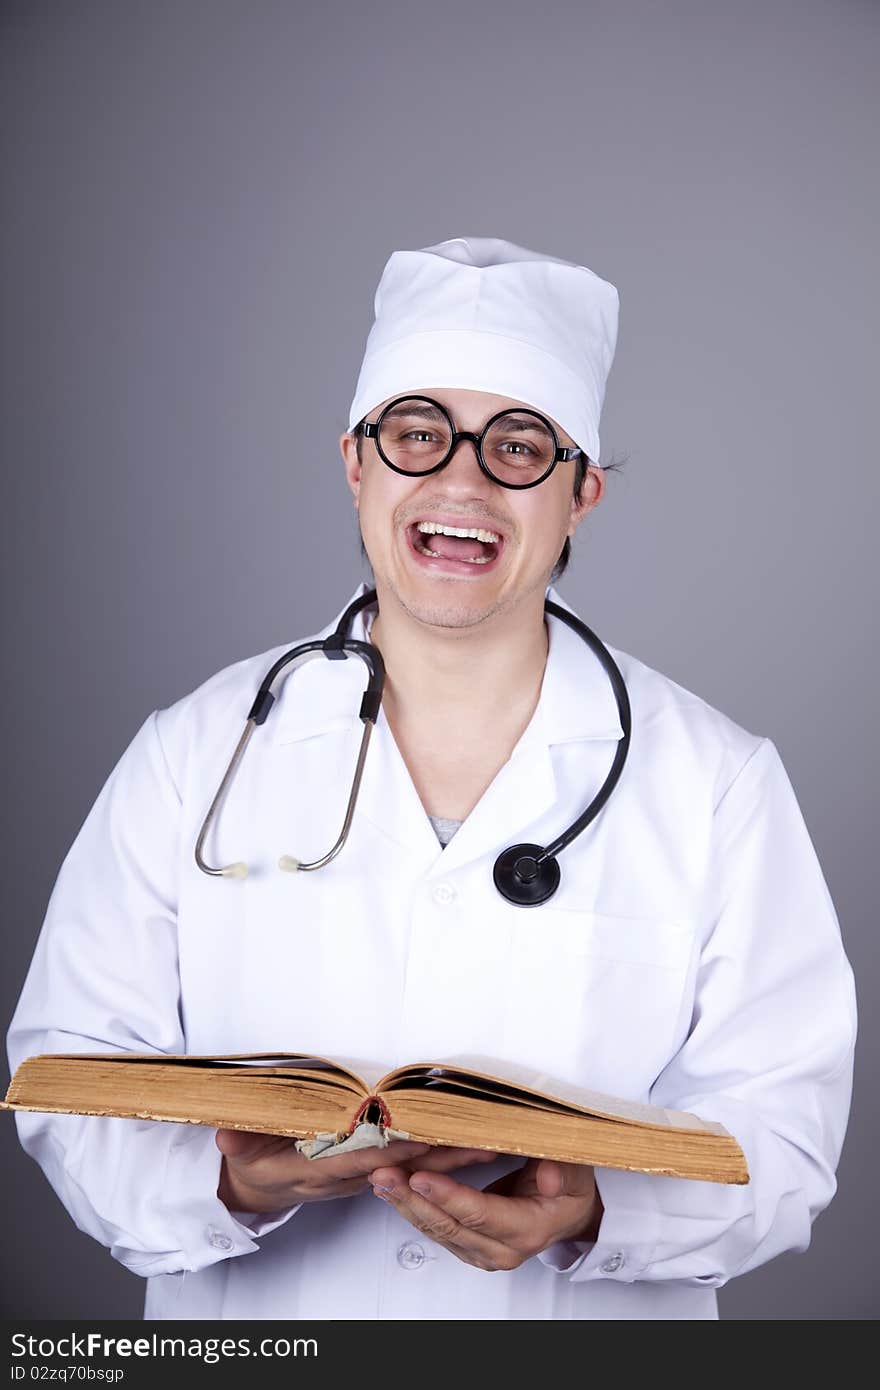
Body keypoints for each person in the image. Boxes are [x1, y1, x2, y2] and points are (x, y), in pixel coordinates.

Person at [7, 237, 856, 1321]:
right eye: (417, 433)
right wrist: (225, 1182)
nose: (460, 482)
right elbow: (68, 1078)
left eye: (517, 445)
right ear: (357, 463)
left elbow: (784, 1139)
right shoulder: (193, 755)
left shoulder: (716, 782)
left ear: (580, 493)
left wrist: (596, 1209)